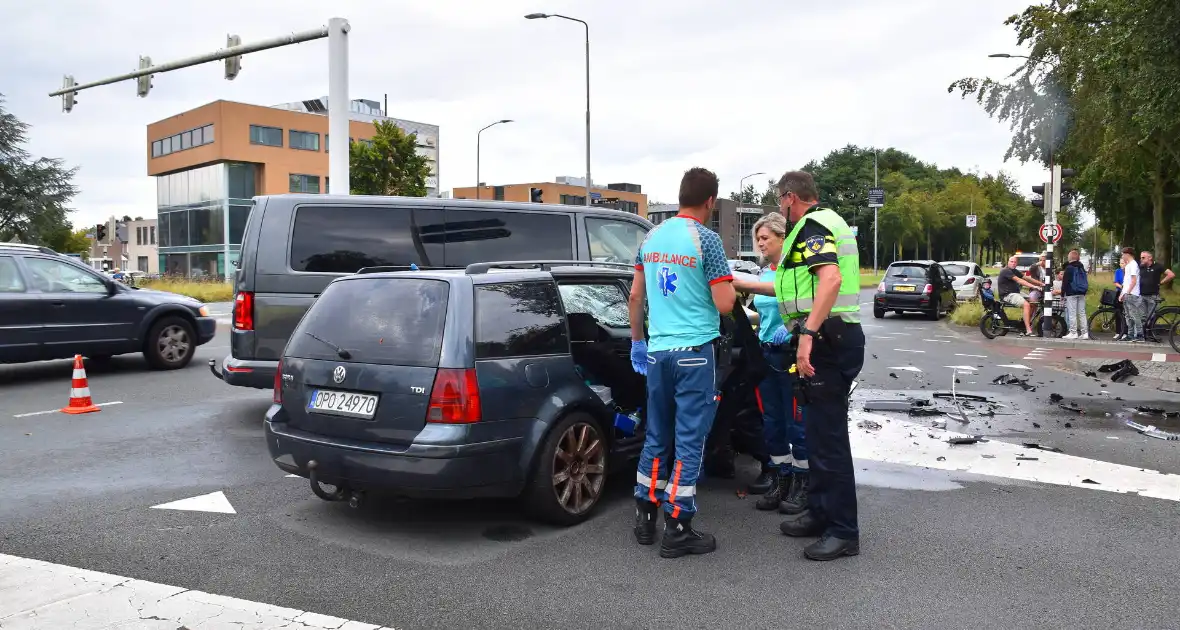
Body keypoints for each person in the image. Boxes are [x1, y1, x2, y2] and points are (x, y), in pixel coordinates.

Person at [734, 170, 864, 561]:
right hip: (828, 339)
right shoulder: (816, 227)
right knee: (819, 436)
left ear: (789, 198)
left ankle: (843, 532)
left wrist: (807, 334)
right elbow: (785, 287)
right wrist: (734, 279)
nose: (779, 208)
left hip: (826, 341)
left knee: (828, 441)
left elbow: (831, 278)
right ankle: (821, 513)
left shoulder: (812, 225)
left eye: (779, 201)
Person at [629, 167, 735, 558]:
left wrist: (638, 343)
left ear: (679, 196)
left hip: (657, 354)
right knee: (690, 441)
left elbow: (636, 297)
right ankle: (678, 526)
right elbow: (724, 303)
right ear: (710, 201)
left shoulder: (651, 237)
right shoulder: (706, 241)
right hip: (693, 355)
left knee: (657, 434)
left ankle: (645, 515)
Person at [741, 212, 810, 513]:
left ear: (783, 238)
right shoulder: (765, 272)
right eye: (757, 239)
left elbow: (810, 305)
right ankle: (781, 480)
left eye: (765, 238)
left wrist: (794, 328)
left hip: (790, 353)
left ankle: (803, 484)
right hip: (767, 352)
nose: (760, 243)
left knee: (797, 424)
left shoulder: (798, 271)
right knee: (772, 423)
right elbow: (761, 310)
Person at [997, 256, 1041, 336]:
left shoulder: (1014, 271)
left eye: (1015, 262)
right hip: (1007, 294)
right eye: (1011, 261)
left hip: (1016, 293)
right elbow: (1019, 280)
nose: (1013, 263)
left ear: (1017, 263)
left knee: (1034, 302)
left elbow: (1027, 278)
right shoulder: (1006, 271)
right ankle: (1028, 330)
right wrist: (1033, 286)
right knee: (1026, 305)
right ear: (1008, 262)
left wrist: (1041, 284)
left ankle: (1023, 323)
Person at [1138, 250, 1174, 338]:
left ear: (1150, 258)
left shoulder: (1158, 266)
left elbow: (1171, 274)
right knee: (1142, 316)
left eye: (1143, 257)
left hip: (1153, 296)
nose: (1141, 259)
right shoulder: (1140, 267)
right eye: (1141, 257)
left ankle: (1151, 335)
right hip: (1141, 295)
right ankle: (1143, 335)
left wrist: (1161, 282)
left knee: (1152, 317)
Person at [1060, 249, 1090, 340]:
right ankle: (1085, 333)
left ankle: (1073, 332)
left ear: (1069, 258)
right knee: (1082, 313)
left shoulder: (1069, 268)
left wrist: (1062, 295)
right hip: (1081, 292)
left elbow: (1065, 283)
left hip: (1071, 292)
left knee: (1072, 313)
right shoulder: (1081, 267)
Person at [1120, 247, 1145, 342]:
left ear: (1128, 254)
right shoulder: (1128, 265)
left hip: (1132, 294)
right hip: (1127, 293)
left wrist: (1128, 292)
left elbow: (1133, 281)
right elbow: (1126, 281)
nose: (1122, 256)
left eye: (1123, 254)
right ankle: (1130, 334)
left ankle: (1139, 335)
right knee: (1128, 315)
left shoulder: (1133, 265)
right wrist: (1122, 293)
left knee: (1134, 315)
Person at [1113, 258, 1127, 340]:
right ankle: (1118, 332)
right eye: (1120, 263)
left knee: (1126, 314)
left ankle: (1125, 332)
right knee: (1118, 313)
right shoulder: (1118, 271)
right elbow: (1115, 282)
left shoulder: (1129, 271)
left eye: (1123, 263)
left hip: (1127, 294)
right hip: (1119, 292)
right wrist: (1122, 286)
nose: (1121, 265)